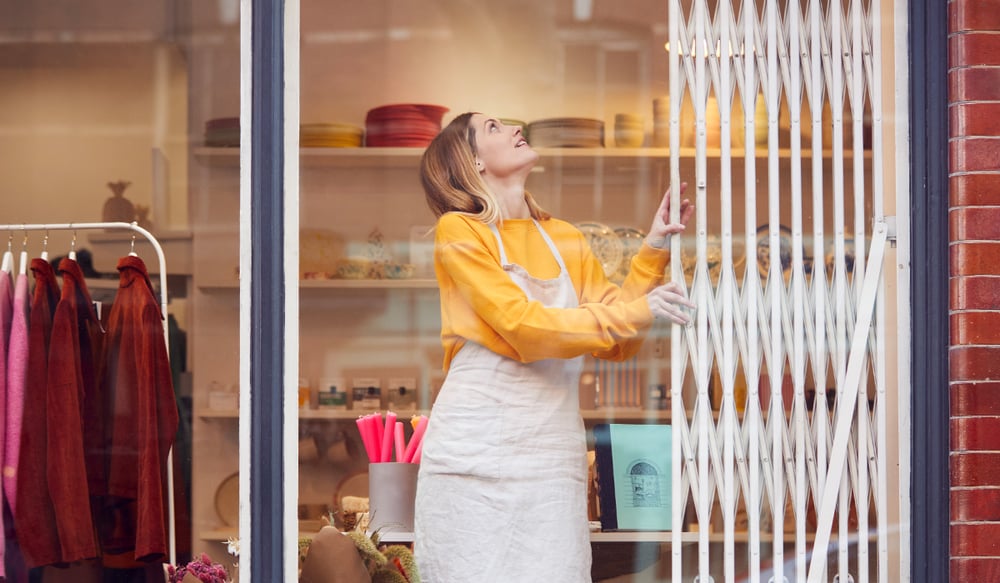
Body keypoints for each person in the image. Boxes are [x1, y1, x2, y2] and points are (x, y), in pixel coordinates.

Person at [413, 112, 695, 583]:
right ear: (473, 162)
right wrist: (640, 310)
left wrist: (651, 251)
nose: (513, 128)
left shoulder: (565, 237)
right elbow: (523, 328)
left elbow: (618, 344)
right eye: (493, 128)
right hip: (472, 454)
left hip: (549, 454)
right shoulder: (460, 232)